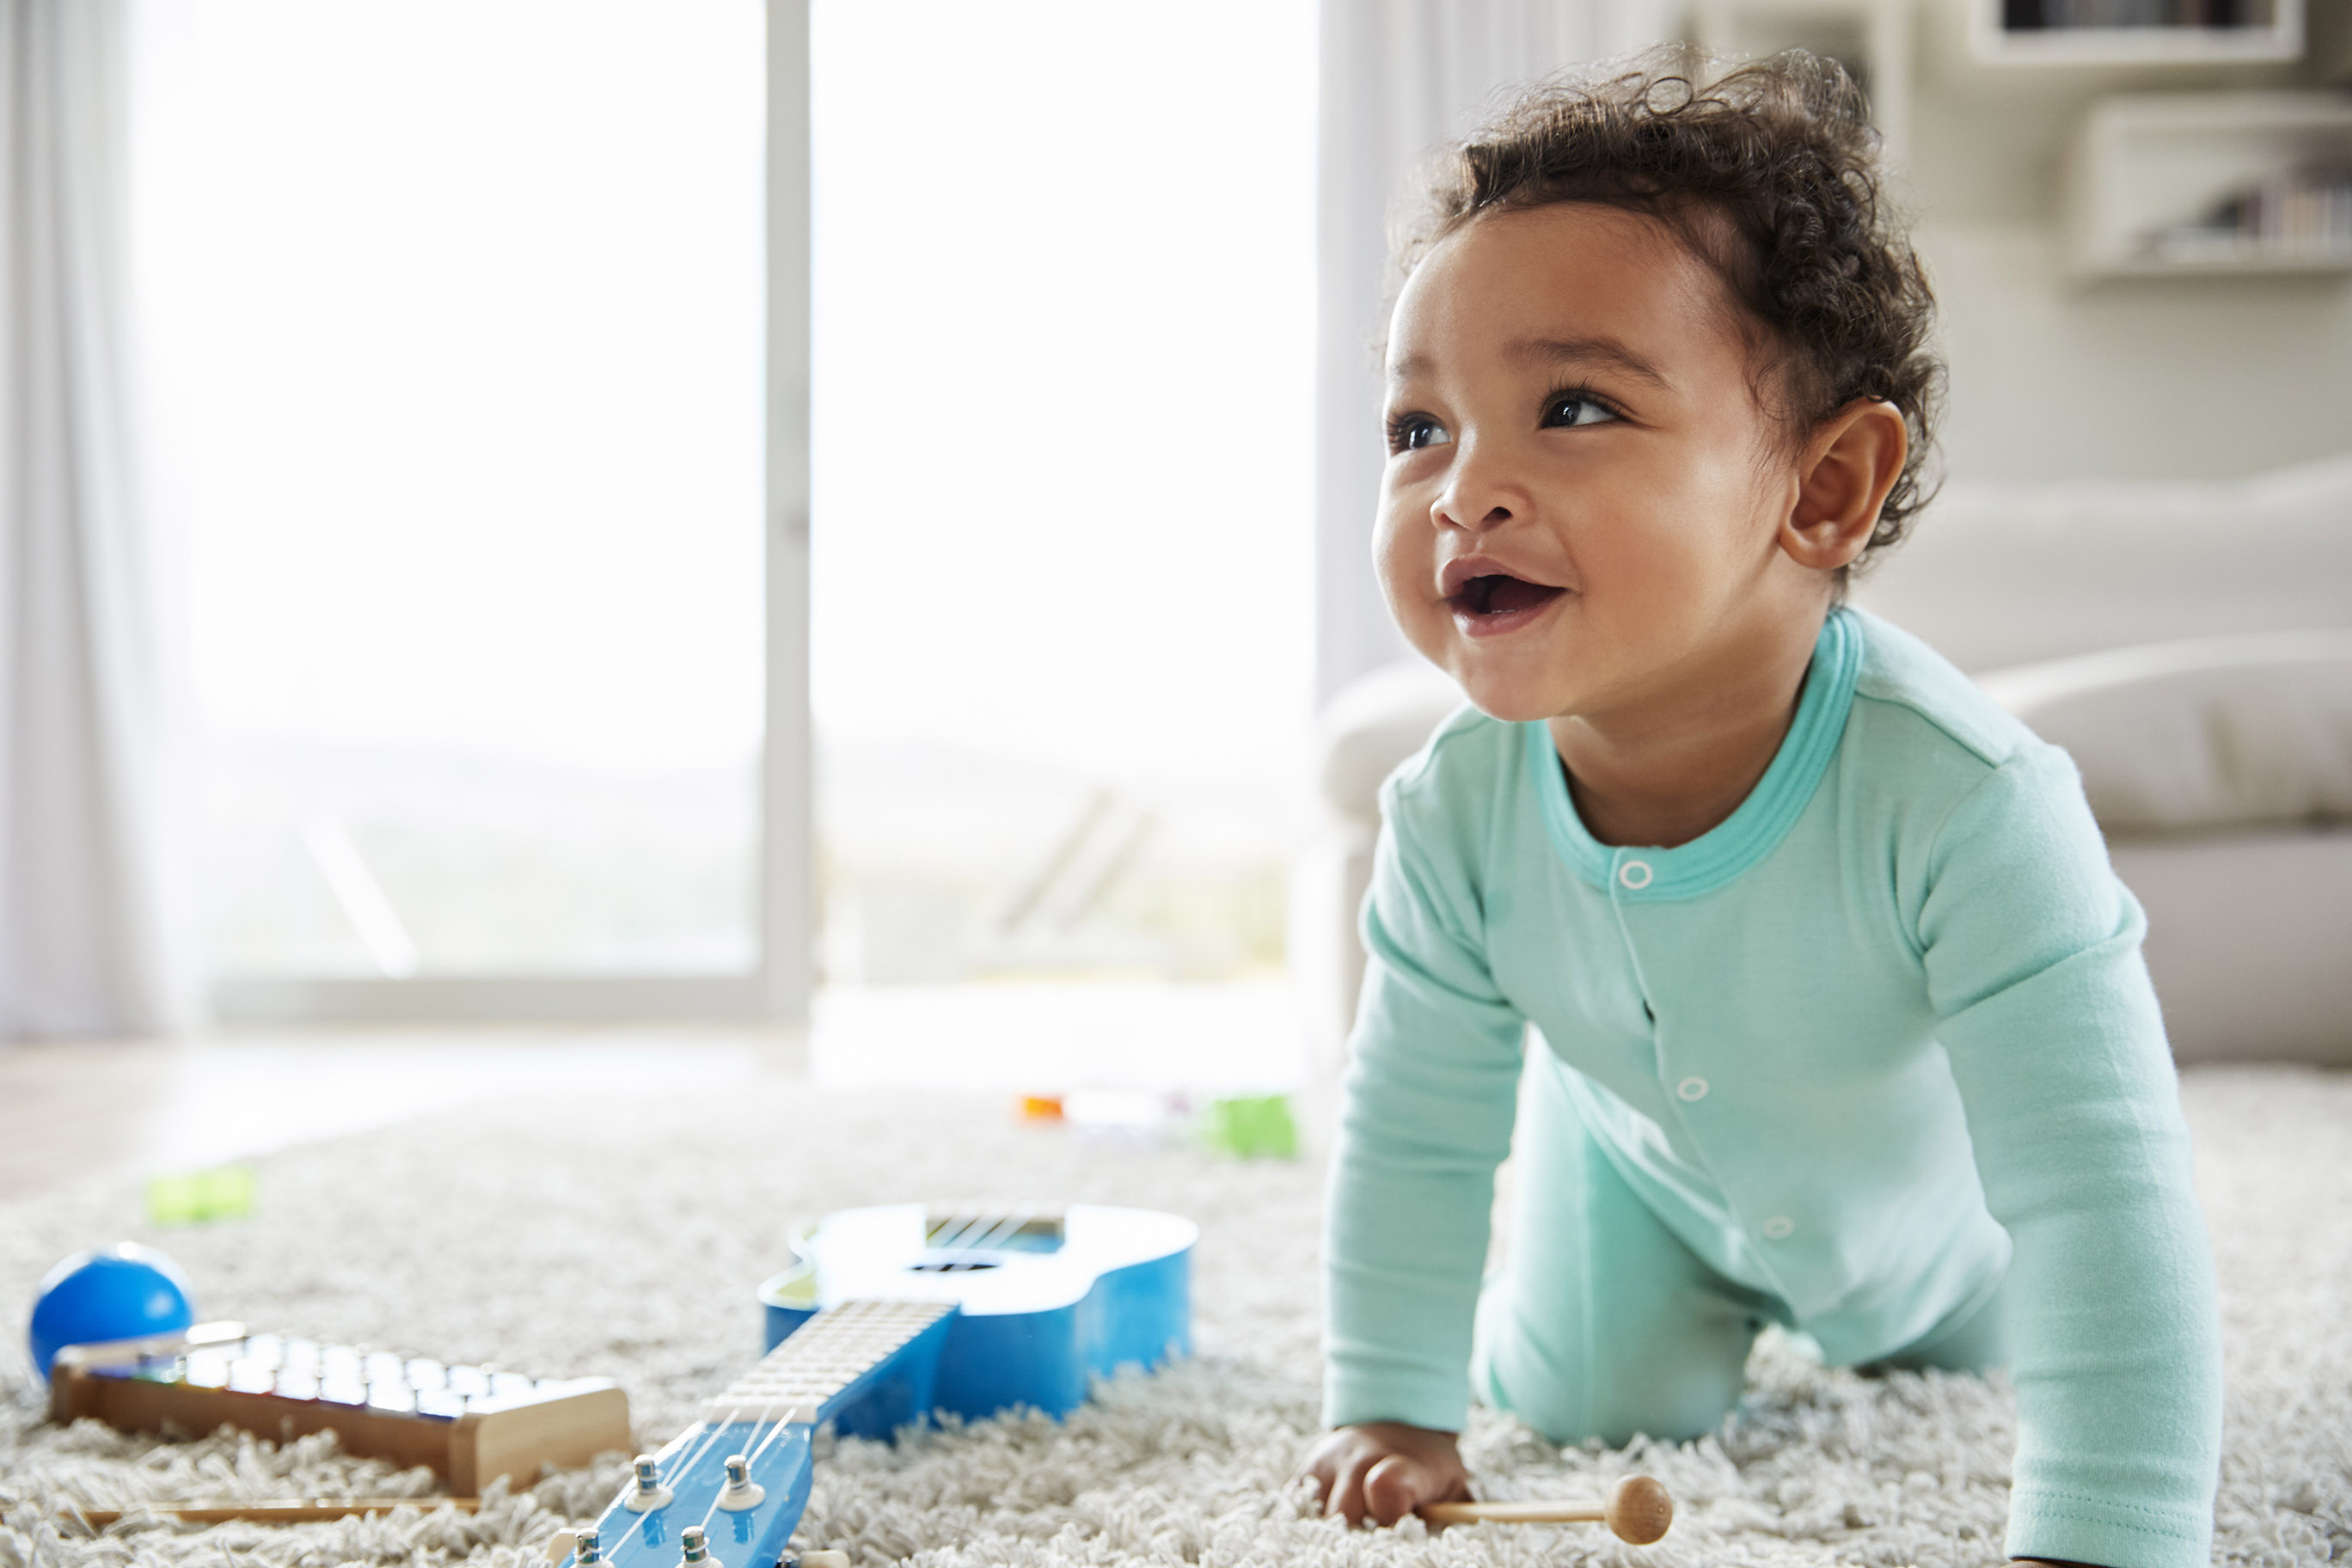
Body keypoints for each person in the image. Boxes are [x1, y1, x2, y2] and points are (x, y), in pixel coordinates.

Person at [1298, 51, 2222, 1568]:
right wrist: (1392, 1403)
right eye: (1419, 430)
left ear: (1825, 489)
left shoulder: (1971, 802)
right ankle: (1622, 1241)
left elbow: (2101, 1185)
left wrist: (2109, 1526)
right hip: (1636, 1188)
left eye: (1575, 404)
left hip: (1942, 1227)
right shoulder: (1451, 814)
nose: (1466, 490)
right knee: (1597, 1401)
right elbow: (1410, 1133)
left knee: (1979, 1344)